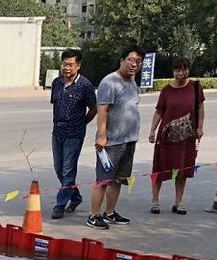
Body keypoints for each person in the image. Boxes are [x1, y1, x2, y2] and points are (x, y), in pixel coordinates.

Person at [87, 46, 143, 230]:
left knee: (119, 180)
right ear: (122, 60)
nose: (134, 64)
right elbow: (102, 111)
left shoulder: (132, 82)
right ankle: (94, 215)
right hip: (111, 142)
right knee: (103, 180)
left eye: (138, 62)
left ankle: (109, 213)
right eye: (131, 60)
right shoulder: (109, 82)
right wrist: (102, 136)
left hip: (128, 140)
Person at [148, 58, 204, 215]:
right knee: (159, 168)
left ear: (188, 70)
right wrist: (152, 130)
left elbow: (200, 108)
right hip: (166, 137)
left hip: (187, 137)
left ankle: (179, 202)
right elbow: (159, 111)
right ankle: (155, 201)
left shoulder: (195, 87)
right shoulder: (166, 90)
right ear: (173, 71)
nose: (181, 73)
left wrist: (200, 128)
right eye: (177, 70)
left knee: (182, 169)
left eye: (184, 69)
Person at [49, 49, 97, 220]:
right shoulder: (56, 83)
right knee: (59, 169)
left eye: (70, 65)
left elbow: (94, 109)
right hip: (57, 132)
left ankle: (60, 205)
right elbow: (56, 104)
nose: (67, 68)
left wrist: (82, 123)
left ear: (78, 66)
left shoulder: (85, 85)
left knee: (68, 170)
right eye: (64, 64)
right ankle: (75, 196)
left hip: (74, 134)